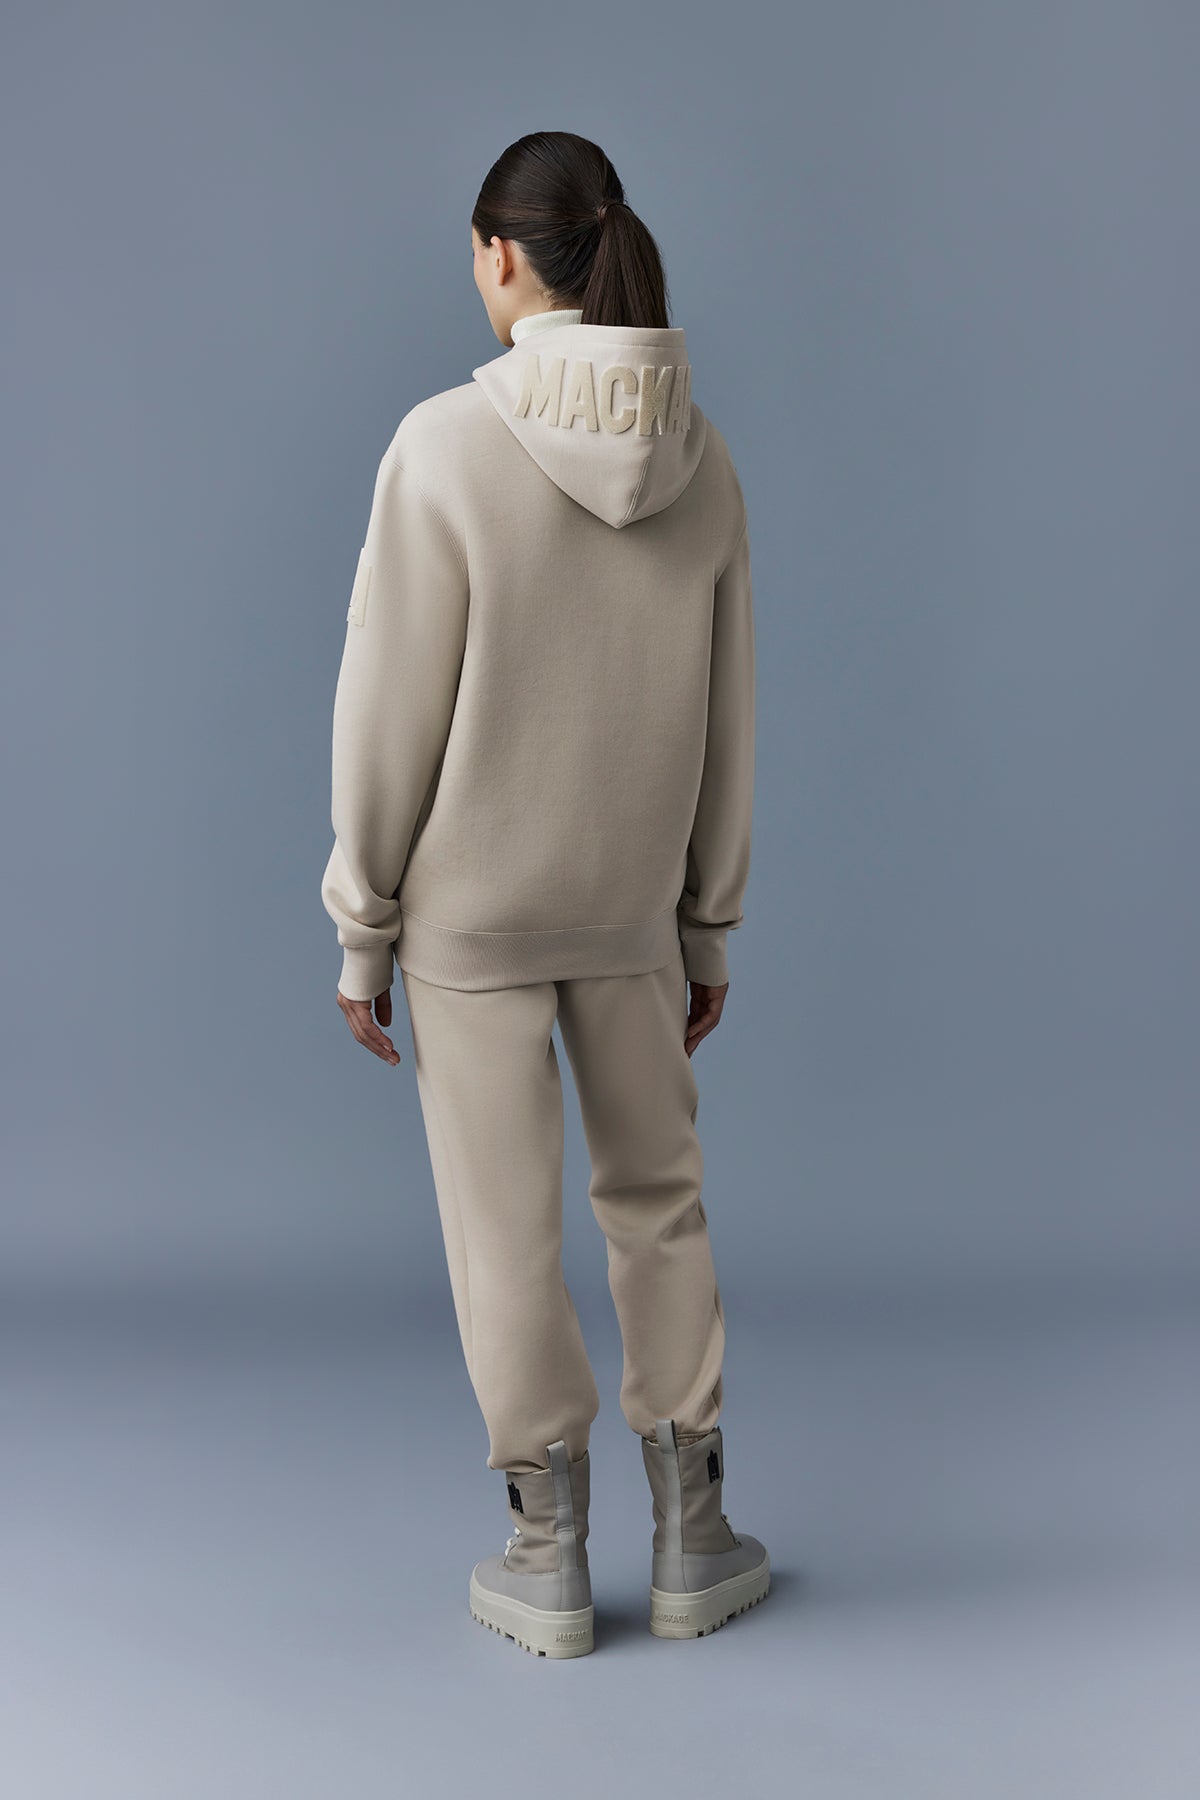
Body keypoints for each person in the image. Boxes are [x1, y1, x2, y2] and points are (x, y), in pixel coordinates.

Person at [320, 130, 768, 1658]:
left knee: (501, 1230)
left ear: (501, 254)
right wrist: (708, 922)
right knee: (659, 1201)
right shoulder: (706, 460)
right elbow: (728, 718)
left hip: (472, 924)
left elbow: (386, 714)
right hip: (635, 913)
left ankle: (547, 1552)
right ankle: (696, 1535)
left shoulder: (442, 447)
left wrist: (363, 928)